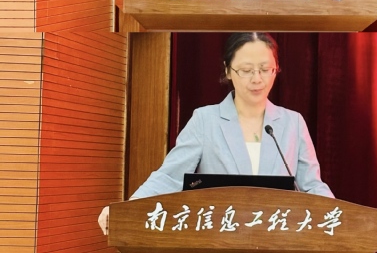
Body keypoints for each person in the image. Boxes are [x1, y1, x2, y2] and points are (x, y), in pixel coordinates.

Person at [98, 32, 333, 231]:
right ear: (228, 70)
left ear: (276, 70)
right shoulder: (205, 120)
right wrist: (127, 210)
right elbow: (169, 176)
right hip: (219, 238)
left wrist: (338, 217)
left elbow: (312, 186)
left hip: (277, 239)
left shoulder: (293, 123)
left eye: (265, 69)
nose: (257, 79)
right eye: (246, 70)